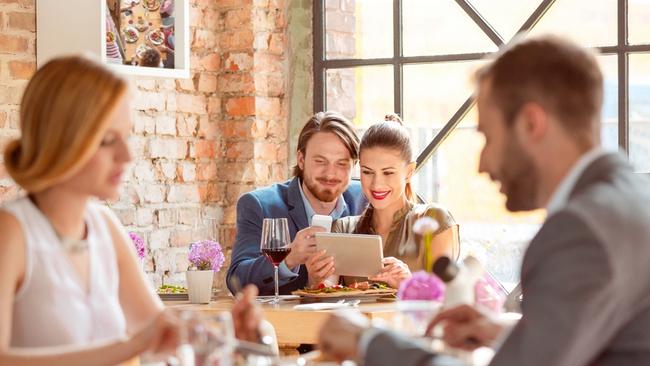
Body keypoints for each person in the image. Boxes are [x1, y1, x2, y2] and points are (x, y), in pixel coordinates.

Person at [318, 35, 650, 366]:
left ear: (531, 124)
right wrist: (508, 332)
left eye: (488, 137)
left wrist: (369, 342)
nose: (483, 164)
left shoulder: (578, 231)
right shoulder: (630, 202)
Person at [0, 55, 264, 366]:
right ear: (62, 141)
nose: (126, 155)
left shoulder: (103, 226)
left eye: (126, 136)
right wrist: (129, 347)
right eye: (107, 140)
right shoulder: (12, 231)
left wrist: (228, 337)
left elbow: (160, 335)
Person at [226, 111, 366, 295]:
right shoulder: (260, 205)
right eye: (320, 161)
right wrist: (289, 258)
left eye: (341, 163)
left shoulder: (364, 200)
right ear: (301, 159)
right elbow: (237, 280)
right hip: (286, 322)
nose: (331, 174)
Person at [330, 114, 459, 289]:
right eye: (367, 172)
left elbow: (449, 299)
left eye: (388, 172)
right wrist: (315, 279)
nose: (377, 184)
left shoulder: (433, 220)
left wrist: (408, 283)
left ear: (409, 171)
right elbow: (325, 297)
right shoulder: (343, 230)